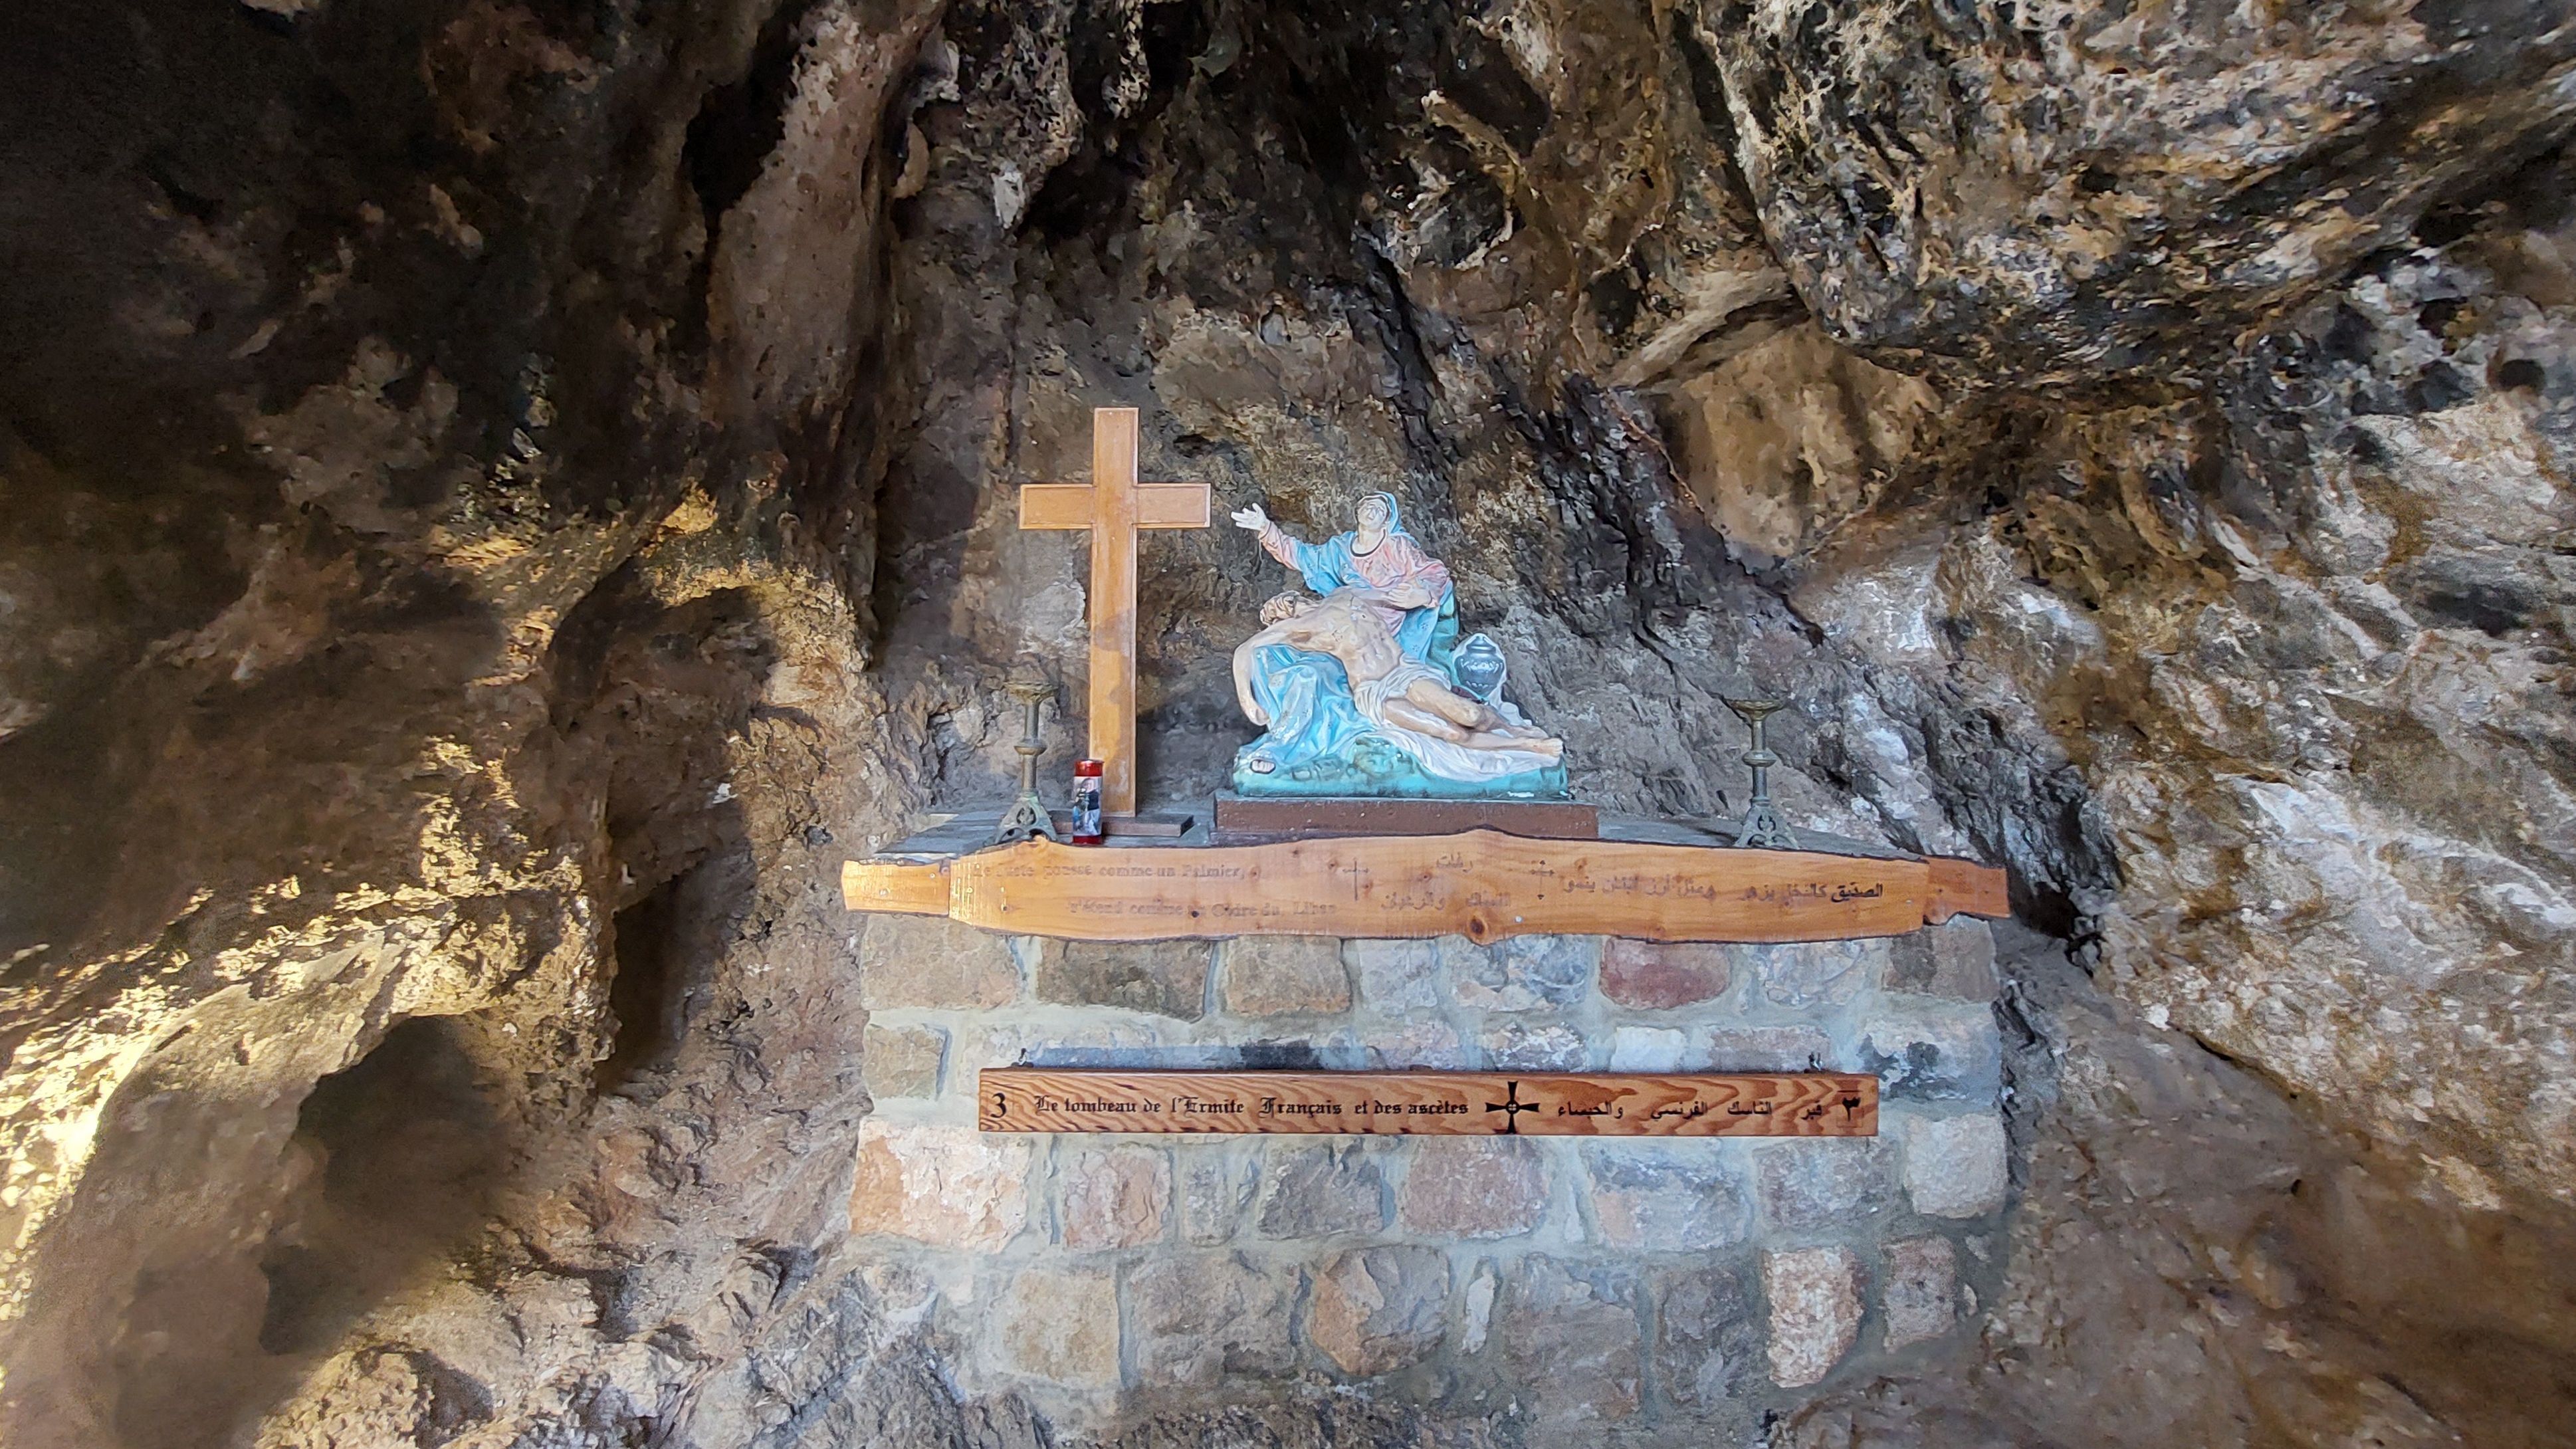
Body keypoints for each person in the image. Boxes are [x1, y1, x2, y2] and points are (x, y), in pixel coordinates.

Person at [1234, 591, 1560, 760]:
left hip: (1404, 672)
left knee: (1470, 714)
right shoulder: (1299, 630)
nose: (1280, 605)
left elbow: (1400, 597)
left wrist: (1422, 595)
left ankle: (1511, 727)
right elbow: (1244, 650)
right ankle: (1526, 746)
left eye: (1280, 601)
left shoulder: (1344, 596)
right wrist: (1248, 701)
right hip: (1374, 692)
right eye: (1273, 611)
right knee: (1452, 734)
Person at [1230, 493, 1455, 667]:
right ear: (1357, 513)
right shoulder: (1339, 548)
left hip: (1384, 621)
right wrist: (1266, 528)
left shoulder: (1398, 546)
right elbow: (1302, 556)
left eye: (1379, 509)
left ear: (1387, 520)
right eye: (1367, 505)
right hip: (1346, 612)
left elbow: (1434, 572)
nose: (1371, 511)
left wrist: (1422, 594)